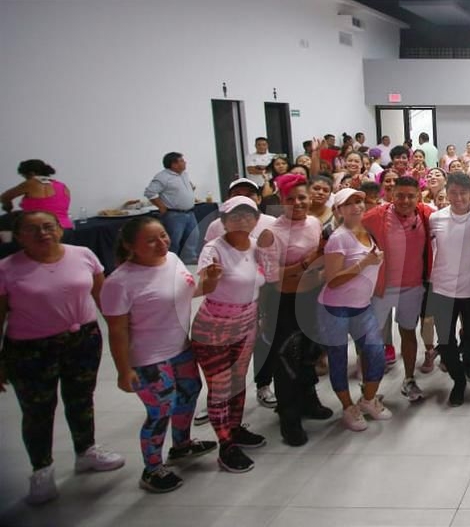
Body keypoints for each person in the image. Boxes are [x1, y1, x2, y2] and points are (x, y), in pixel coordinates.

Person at [0, 211, 125, 504]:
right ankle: (41, 469)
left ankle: (86, 450)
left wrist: (122, 337)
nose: (43, 233)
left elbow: (103, 297)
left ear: (59, 229)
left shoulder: (83, 255)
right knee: (37, 410)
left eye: (48, 226)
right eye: (32, 229)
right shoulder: (7, 269)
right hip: (29, 349)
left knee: (81, 398)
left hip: (82, 340)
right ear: (19, 237)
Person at [102, 216, 218, 493]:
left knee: (190, 393)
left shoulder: (174, 260)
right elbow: (117, 331)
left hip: (180, 347)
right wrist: (123, 370)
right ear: (131, 246)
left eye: (163, 235)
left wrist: (211, 282)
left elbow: (188, 292)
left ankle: (181, 445)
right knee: (160, 410)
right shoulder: (119, 282)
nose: (162, 243)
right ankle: (152, 468)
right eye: (151, 240)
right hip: (149, 357)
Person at [190, 196, 271, 473]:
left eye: (249, 216)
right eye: (235, 217)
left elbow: (258, 285)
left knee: (237, 382)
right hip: (214, 328)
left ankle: (234, 430)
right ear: (223, 222)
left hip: (246, 323)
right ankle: (225, 446)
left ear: (256, 219)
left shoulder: (255, 247)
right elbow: (204, 284)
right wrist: (211, 278)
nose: (243, 221)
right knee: (221, 388)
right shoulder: (214, 249)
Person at [259, 174, 330, 446]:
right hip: (284, 302)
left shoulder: (313, 222)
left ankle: (308, 399)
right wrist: (305, 265)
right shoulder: (272, 233)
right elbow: (270, 276)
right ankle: (288, 415)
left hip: (312, 298)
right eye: (291, 199)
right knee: (287, 358)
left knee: (309, 353)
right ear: (281, 200)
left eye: (303, 197)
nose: (298, 203)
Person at [316, 188, 391, 432]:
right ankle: (348, 407)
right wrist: (364, 263)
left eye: (359, 201)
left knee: (377, 354)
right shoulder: (339, 238)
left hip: (361, 305)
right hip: (335, 307)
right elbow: (332, 279)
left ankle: (368, 400)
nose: (357, 206)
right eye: (349, 203)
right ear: (338, 210)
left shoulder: (368, 233)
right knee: (338, 359)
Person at [362, 177, 434, 402]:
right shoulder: (375, 216)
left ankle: (409, 379)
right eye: (399, 195)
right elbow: (352, 231)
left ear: (418, 197)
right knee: (372, 339)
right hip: (380, 288)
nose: (404, 200)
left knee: (408, 332)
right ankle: (368, 388)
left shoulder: (426, 215)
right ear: (390, 194)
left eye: (410, 196)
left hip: (413, 287)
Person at [428, 173, 470, 406]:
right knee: (444, 340)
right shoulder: (436, 218)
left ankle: (469, 362)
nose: (458, 197)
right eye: (453, 192)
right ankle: (458, 380)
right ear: (446, 192)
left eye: (463, 192)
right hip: (443, 288)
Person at [144, 152, 200, 264]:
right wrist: (161, 206)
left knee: (192, 238)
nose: (185, 163)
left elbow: (190, 186)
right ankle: (169, 263)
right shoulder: (163, 177)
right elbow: (150, 192)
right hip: (175, 215)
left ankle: (189, 261)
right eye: (182, 161)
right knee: (173, 241)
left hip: (190, 212)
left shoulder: (184, 174)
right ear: (174, 164)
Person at [3, 160, 74, 229]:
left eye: (25, 176)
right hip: (66, 228)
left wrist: (8, 206)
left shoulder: (31, 183)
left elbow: (4, 197)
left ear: (31, 173)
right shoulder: (62, 186)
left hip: (43, 231)